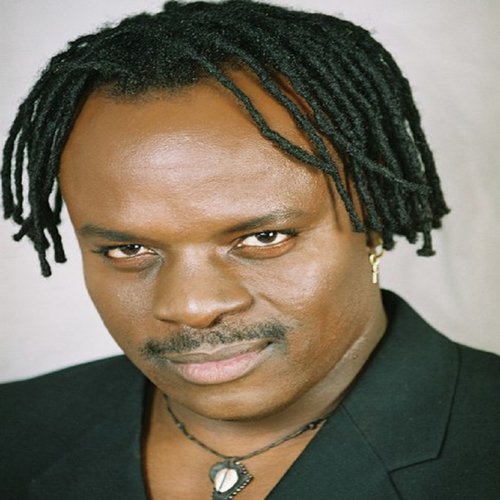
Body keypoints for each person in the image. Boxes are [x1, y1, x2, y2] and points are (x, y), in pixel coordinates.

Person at [0, 1, 499, 499]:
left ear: (372, 223)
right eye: (128, 249)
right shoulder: (15, 426)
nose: (191, 307)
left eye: (263, 239)